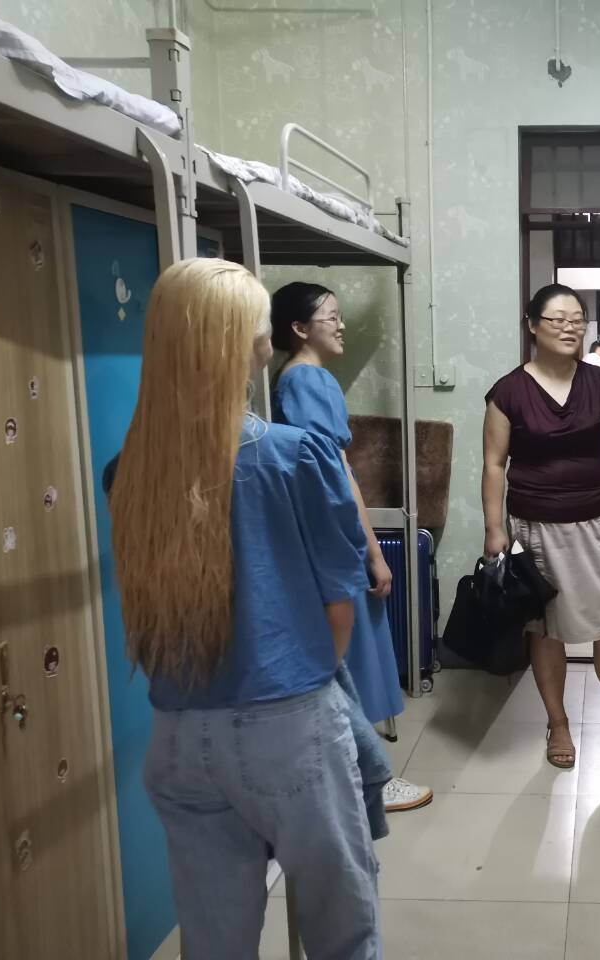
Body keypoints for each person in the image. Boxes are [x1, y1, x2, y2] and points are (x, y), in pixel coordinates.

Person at [107, 258, 381, 959]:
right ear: (255, 347)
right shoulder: (296, 457)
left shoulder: (129, 469)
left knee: (214, 942)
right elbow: (339, 607)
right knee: (342, 931)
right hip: (288, 723)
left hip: (177, 738)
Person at [482, 283, 600, 769]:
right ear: (533, 326)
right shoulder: (508, 391)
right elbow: (494, 464)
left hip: (593, 520)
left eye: (577, 319)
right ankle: (559, 724)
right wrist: (494, 528)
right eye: (558, 319)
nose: (570, 327)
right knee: (546, 631)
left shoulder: (597, 382)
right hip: (534, 527)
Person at [269, 281, 433, 815]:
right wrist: (373, 552)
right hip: (333, 536)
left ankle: (355, 776)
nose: (341, 326)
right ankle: (369, 781)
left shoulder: (292, 379)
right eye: (331, 317)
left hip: (323, 534)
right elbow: (337, 476)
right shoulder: (309, 379)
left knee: (344, 655)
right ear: (299, 328)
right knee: (352, 656)